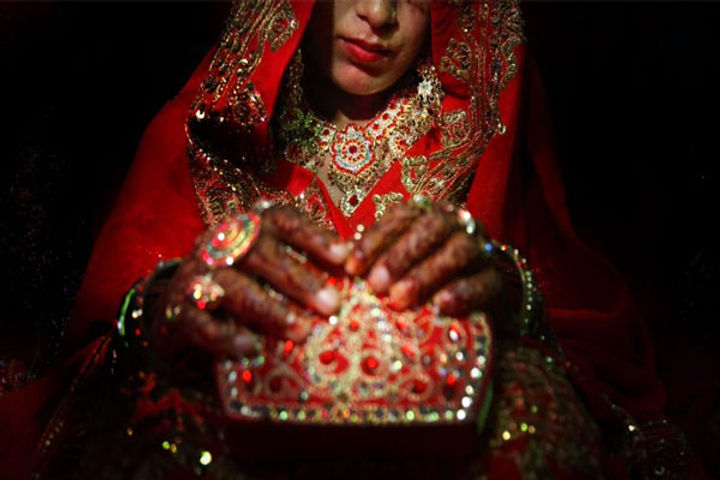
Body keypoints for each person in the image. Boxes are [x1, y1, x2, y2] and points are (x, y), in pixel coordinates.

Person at [0, 0, 697, 478]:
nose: (381, 15)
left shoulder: (489, 118)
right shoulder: (214, 118)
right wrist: (170, 303)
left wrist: (505, 290)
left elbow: (586, 342)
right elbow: (105, 343)